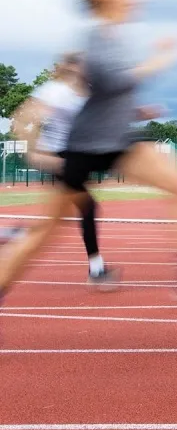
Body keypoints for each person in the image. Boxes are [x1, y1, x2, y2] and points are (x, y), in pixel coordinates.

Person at [0, 0, 177, 309]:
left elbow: (109, 94)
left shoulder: (114, 37)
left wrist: (136, 111)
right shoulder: (94, 36)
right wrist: (159, 60)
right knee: (42, 235)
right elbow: (113, 81)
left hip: (116, 142)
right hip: (86, 148)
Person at [10, 52, 119, 287]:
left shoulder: (83, 94)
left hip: (74, 159)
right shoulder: (54, 91)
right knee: (86, 208)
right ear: (73, 67)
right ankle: (97, 270)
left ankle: (16, 236)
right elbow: (21, 119)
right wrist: (34, 152)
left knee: (57, 219)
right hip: (59, 159)